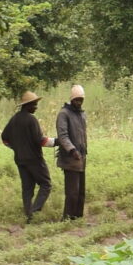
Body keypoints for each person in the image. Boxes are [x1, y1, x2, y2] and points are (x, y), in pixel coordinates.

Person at [0, 90, 53, 223]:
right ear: (27, 105)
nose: (36, 107)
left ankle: (28, 214)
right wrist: (57, 142)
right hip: (34, 159)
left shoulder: (14, 119)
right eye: (34, 104)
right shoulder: (31, 120)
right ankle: (34, 213)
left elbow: (4, 138)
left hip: (20, 159)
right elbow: (39, 141)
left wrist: (15, 148)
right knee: (46, 184)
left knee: (27, 187)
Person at [55, 85, 90, 220]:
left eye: (81, 100)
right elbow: (63, 136)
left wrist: (82, 152)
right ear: (71, 99)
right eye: (76, 100)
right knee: (72, 192)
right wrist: (72, 150)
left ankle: (78, 217)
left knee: (81, 191)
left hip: (81, 157)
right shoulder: (63, 114)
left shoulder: (81, 114)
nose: (79, 102)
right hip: (70, 158)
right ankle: (67, 218)